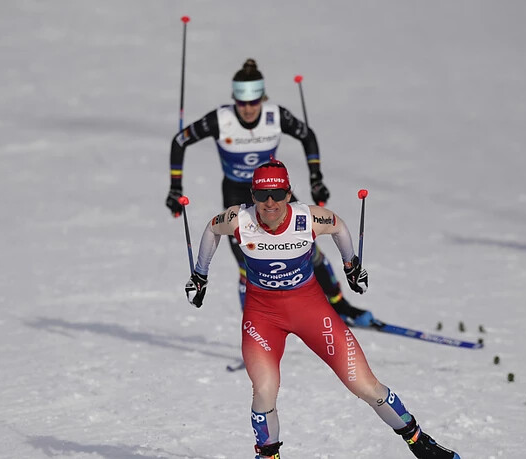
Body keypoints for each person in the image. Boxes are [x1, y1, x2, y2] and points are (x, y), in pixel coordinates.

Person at [184, 160, 460, 459]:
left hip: (311, 311)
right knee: (264, 390)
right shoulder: (239, 219)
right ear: (253, 196)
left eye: (277, 193)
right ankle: (267, 456)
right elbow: (212, 229)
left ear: (288, 194)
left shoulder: (309, 218)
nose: (270, 203)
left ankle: (417, 440)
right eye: (263, 195)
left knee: (365, 386)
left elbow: (339, 226)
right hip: (262, 316)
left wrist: (351, 264)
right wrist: (200, 275)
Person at [165, 58, 373, 326]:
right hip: (237, 193)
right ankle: (256, 329)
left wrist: (316, 179)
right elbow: (179, 141)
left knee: (309, 248)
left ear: (262, 98)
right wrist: (175, 188)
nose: (248, 109)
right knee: (247, 264)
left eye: (254, 102)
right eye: (242, 102)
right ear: (234, 100)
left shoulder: (276, 116)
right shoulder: (221, 119)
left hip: (274, 189)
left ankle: (339, 304)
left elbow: (307, 135)